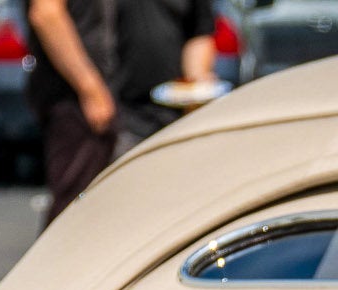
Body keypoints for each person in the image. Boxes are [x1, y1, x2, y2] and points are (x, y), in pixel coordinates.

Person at [27, 0, 215, 218]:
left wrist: (195, 84)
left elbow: (199, 30)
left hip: (152, 110)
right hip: (97, 106)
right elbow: (46, 14)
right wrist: (91, 90)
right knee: (76, 214)